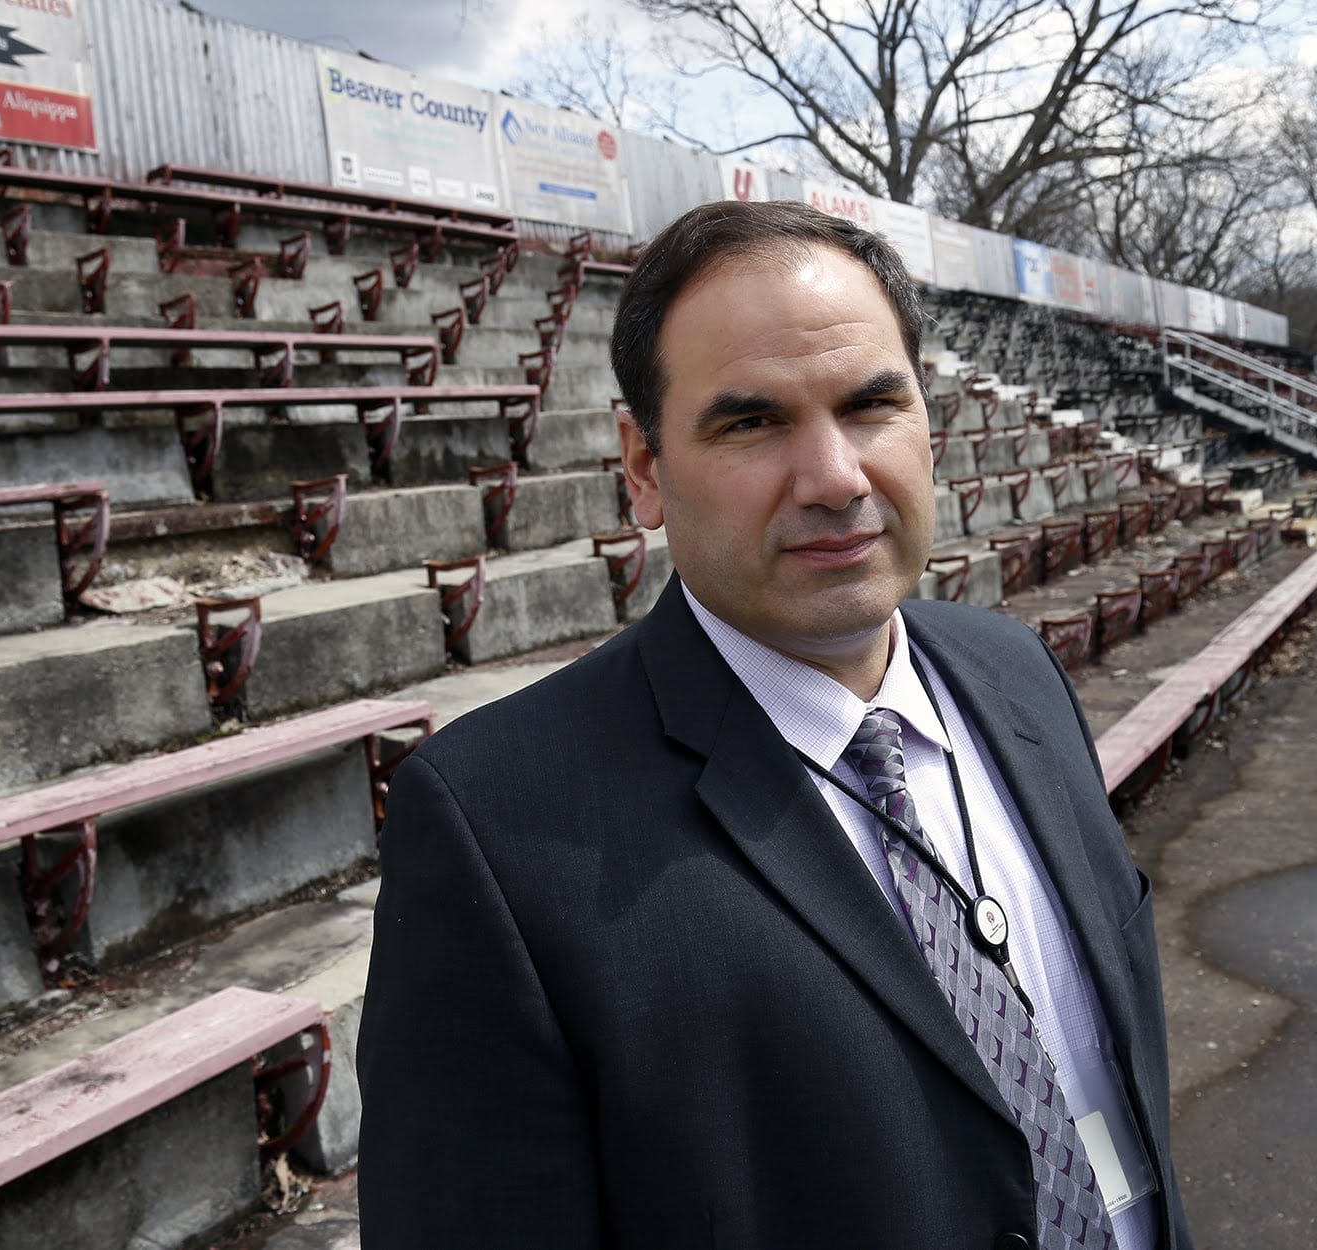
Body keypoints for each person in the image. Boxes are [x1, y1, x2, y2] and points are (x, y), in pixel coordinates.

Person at [357, 200, 1193, 1250]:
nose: (835, 477)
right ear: (644, 464)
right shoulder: (496, 828)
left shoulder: (1013, 670)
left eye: (870, 404)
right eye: (750, 421)